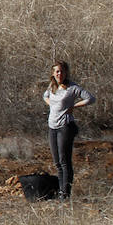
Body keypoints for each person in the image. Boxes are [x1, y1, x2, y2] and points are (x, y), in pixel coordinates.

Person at [43, 61, 93, 200]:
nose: (60, 74)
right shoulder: (52, 86)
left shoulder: (72, 88)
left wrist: (74, 106)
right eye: (57, 71)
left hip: (65, 127)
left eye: (62, 71)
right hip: (52, 126)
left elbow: (90, 98)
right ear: (53, 73)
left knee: (65, 161)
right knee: (57, 162)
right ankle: (60, 191)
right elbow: (45, 96)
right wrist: (52, 106)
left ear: (66, 73)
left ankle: (66, 194)